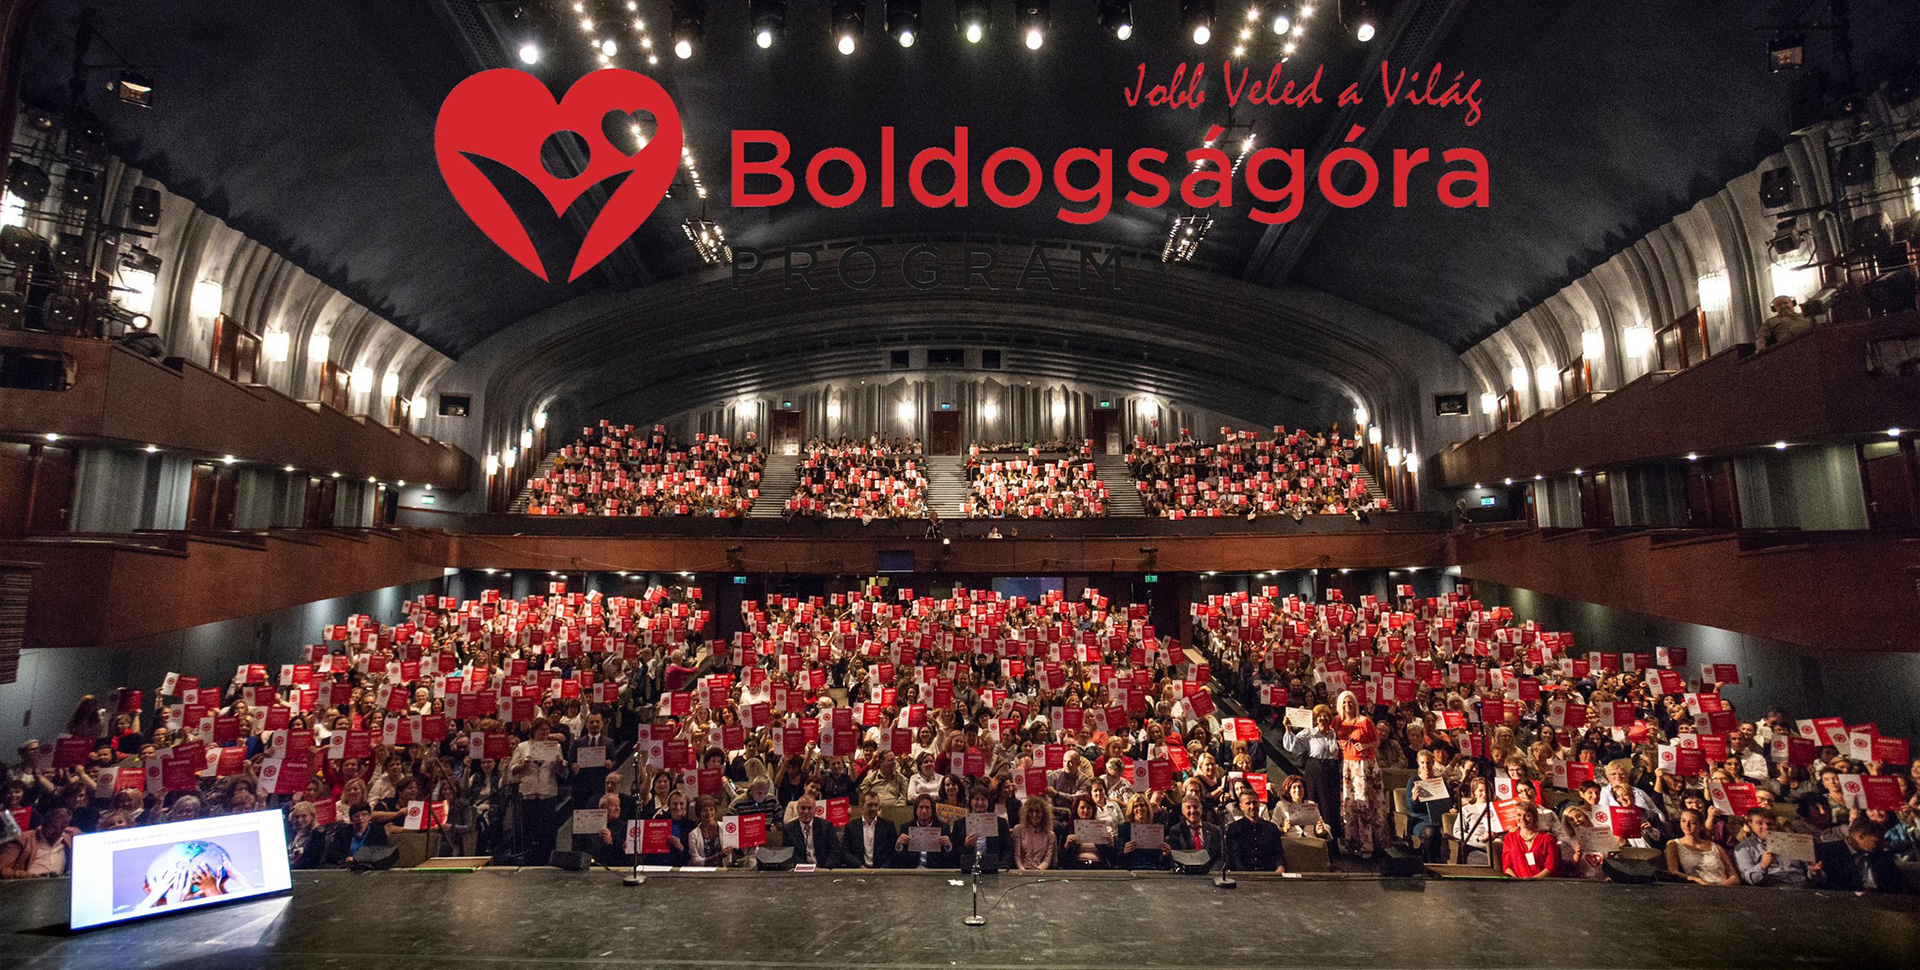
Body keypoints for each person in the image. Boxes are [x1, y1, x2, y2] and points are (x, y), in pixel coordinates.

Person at [508, 718, 569, 863]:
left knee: (548, 831)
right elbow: (511, 769)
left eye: (547, 730)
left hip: (547, 792)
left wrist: (560, 763)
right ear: (534, 731)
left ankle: (547, 859)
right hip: (528, 793)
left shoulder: (554, 746)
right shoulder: (523, 747)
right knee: (527, 830)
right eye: (542, 729)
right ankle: (528, 859)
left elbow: (562, 773)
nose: (545, 732)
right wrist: (523, 765)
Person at [1334, 690, 1386, 858]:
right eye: (1344, 702)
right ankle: (1353, 844)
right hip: (1347, 766)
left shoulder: (1365, 721)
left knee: (1366, 805)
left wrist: (1365, 746)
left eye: (1350, 702)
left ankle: (1369, 844)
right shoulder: (1337, 721)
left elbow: (1377, 742)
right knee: (1350, 806)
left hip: (1364, 765)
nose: (1347, 705)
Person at [1812, 817, 1899, 892]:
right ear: (1861, 836)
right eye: (1876, 842)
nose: (1880, 845)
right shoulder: (1828, 852)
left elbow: (1897, 883)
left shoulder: (1881, 855)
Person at [1733, 807, 1809, 887]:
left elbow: (1808, 872)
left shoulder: (1790, 842)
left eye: (1769, 824)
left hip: (1802, 888)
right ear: (1750, 824)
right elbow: (1749, 879)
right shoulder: (1744, 848)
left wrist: (1812, 871)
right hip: (1772, 890)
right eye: (1760, 823)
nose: (1766, 827)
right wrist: (1763, 866)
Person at [1666, 808, 1738, 886]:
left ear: (1701, 826)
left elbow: (1734, 876)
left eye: (1692, 823)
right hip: (1697, 888)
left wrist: (1721, 885)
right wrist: (1696, 880)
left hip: (1722, 887)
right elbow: (1673, 871)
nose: (1687, 825)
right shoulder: (1674, 844)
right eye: (1683, 821)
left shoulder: (1715, 847)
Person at [0, 806, 75, 878]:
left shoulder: (68, 842)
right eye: (54, 826)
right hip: (27, 885)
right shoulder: (23, 840)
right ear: (45, 822)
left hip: (59, 885)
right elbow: (2, 869)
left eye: (62, 827)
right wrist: (32, 876)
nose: (57, 831)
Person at [1222, 790, 1285, 873]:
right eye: (1248, 803)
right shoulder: (1234, 828)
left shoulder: (1271, 828)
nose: (1252, 806)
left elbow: (1278, 853)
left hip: (1268, 874)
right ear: (1241, 806)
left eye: (1255, 802)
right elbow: (1234, 857)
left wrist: (1280, 867)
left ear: (1259, 804)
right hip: (1243, 875)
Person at [951, 787, 1013, 871]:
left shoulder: (1000, 823)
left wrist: (1002, 867)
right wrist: (966, 846)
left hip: (995, 869)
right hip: (967, 870)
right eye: (976, 799)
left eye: (983, 799)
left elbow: (1008, 848)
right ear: (971, 802)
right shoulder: (959, 824)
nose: (980, 803)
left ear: (988, 802)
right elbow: (954, 854)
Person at [893, 793, 954, 869]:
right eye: (921, 807)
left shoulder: (943, 828)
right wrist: (899, 845)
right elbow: (898, 859)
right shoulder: (906, 827)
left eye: (927, 808)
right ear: (916, 810)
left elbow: (950, 859)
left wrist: (948, 847)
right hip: (912, 870)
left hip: (934, 870)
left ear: (932, 810)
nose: (924, 811)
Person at [1166, 792, 1222, 874]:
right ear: (1182, 811)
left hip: (1210, 874)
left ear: (1201, 809)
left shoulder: (1214, 830)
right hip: (1185, 876)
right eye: (1188, 807)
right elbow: (1175, 857)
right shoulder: (1176, 831)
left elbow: (1220, 856)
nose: (1192, 811)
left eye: (1195, 807)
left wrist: (1212, 873)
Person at [840, 793, 898, 870]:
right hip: (858, 871)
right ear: (862, 807)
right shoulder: (851, 826)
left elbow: (893, 851)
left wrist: (883, 869)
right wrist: (859, 866)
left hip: (882, 871)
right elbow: (845, 851)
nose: (873, 808)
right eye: (870, 805)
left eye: (876, 805)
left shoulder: (888, 826)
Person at [1500, 803, 1557, 879]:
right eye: (1519, 815)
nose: (1522, 819)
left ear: (1534, 817)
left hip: (1541, 882)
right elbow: (1507, 866)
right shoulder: (1509, 838)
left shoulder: (1548, 839)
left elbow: (1550, 867)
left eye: (1527, 815)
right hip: (1517, 883)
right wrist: (1518, 882)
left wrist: (1532, 881)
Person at [1059, 794, 1116, 869]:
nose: (1085, 811)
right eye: (1082, 808)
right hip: (1077, 866)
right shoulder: (1069, 828)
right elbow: (1062, 860)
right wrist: (1066, 845)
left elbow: (1112, 859)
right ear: (1076, 810)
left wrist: (1110, 845)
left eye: (1088, 808)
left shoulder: (1100, 827)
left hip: (1098, 866)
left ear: (1093, 810)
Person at [1116, 793, 1170, 870]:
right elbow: (1119, 858)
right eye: (1135, 806)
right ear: (1132, 810)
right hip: (1131, 867)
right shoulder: (1124, 828)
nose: (1139, 808)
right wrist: (1125, 851)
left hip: (1153, 868)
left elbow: (1161, 859)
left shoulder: (1156, 828)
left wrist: (1166, 853)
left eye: (1142, 805)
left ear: (1147, 808)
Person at [782, 795, 838, 868]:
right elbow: (789, 854)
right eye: (803, 808)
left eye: (809, 808)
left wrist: (824, 869)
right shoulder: (789, 829)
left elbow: (835, 851)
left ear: (815, 810)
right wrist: (807, 868)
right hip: (800, 870)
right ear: (797, 809)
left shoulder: (826, 826)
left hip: (824, 868)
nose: (806, 811)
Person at [1013, 795, 1057, 871]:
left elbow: (1047, 859)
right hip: (1022, 871)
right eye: (1031, 811)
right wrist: (1023, 871)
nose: (1034, 815)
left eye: (1037, 811)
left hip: (1040, 871)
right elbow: (1017, 856)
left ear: (1043, 814)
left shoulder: (1050, 835)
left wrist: (1038, 871)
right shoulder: (1018, 830)